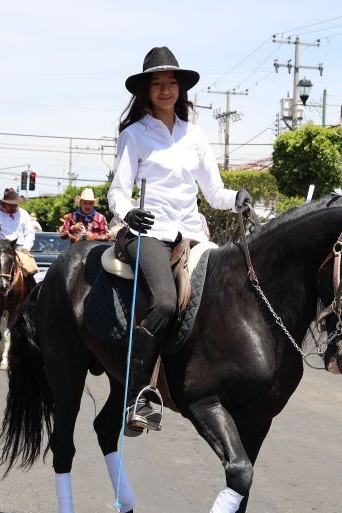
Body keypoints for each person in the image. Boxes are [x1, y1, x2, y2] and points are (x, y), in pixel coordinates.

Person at [108, 46, 252, 434]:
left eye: (171, 83)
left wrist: (235, 198)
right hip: (149, 233)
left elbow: (215, 192)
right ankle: (138, 395)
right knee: (167, 302)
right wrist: (127, 213)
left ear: (181, 90)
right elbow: (117, 191)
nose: (165, 89)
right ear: (146, 92)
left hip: (192, 233)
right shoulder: (133, 136)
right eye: (157, 84)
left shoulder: (196, 137)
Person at [0, 188, 38, 311]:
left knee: (31, 271)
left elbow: (30, 233)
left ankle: (32, 299)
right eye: (10, 205)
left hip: (19, 248)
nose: (13, 207)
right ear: (4, 203)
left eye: (15, 204)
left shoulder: (24, 214)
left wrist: (26, 248)